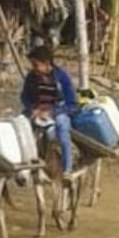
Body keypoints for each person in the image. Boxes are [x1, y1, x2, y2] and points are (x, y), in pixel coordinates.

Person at [20, 46, 77, 176]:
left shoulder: (62, 78)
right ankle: (26, 164)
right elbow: (24, 97)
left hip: (58, 113)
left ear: (47, 64)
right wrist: (32, 109)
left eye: (35, 65)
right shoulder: (31, 77)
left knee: (62, 129)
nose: (33, 68)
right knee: (20, 127)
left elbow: (73, 104)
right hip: (37, 112)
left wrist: (52, 113)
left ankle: (67, 168)